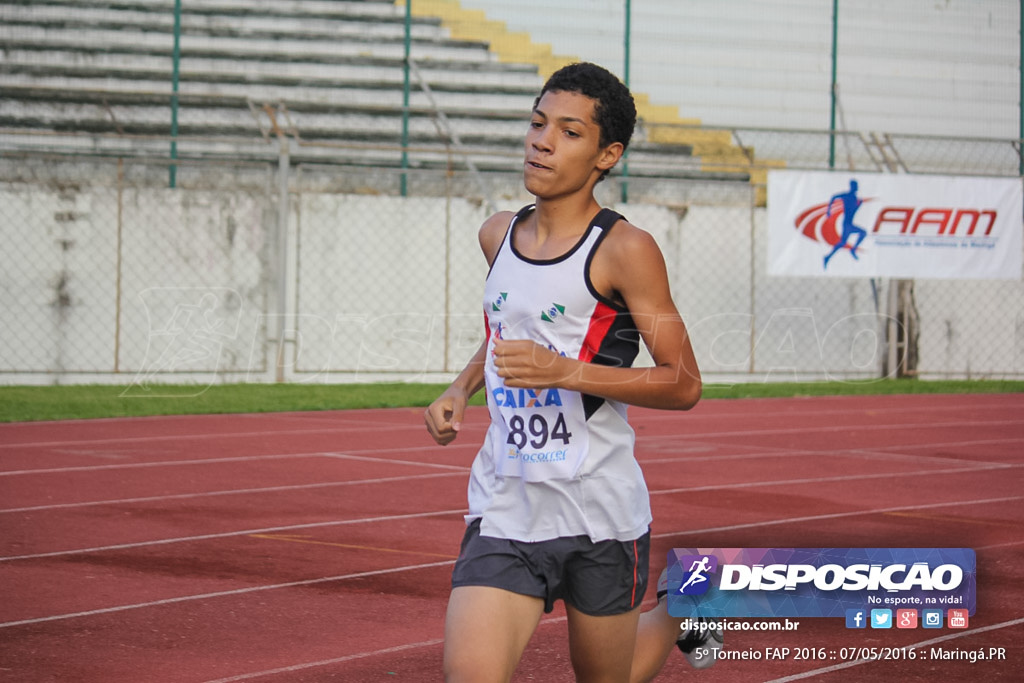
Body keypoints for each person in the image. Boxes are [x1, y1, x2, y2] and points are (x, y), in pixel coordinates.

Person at [424, 62, 719, 683]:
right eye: (536, 123)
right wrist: (462, 386)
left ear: (607, 154)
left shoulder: (625, 249)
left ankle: (685, 603)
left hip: (598, 511)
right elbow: (510, 331)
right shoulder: (496, 235)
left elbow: (683, 382)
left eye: (568, 131)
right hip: (507, 502)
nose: (541, 140)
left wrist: (565, 372)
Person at [823, 179, 867, 268]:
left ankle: (828, 256)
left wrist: (859, 205)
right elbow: (834, 197)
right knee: (863, 233)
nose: (857, 188)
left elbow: (853, 212)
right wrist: (828, 210)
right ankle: (853, 249)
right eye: (855, 186)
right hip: (847, 225)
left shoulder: (855, 198)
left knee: (843, 242)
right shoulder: (847, 195)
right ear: (852, 187)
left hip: (849, 224)